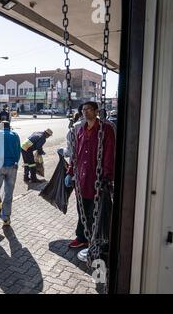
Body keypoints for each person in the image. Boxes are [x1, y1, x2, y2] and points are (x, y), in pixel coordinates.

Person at [65, 101, 115, 249]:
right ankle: (82, 237)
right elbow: (76, 154)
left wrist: (107, 176)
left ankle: (96, 239)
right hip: (82, 179)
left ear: (96, 111)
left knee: (96, 210)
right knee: (82, 210)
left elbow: (109, 154)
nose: (85, 112)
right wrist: (70, 172)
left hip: (97, 179)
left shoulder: (106, 129)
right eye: (83, 109)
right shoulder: (80, 130)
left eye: (89, 109)